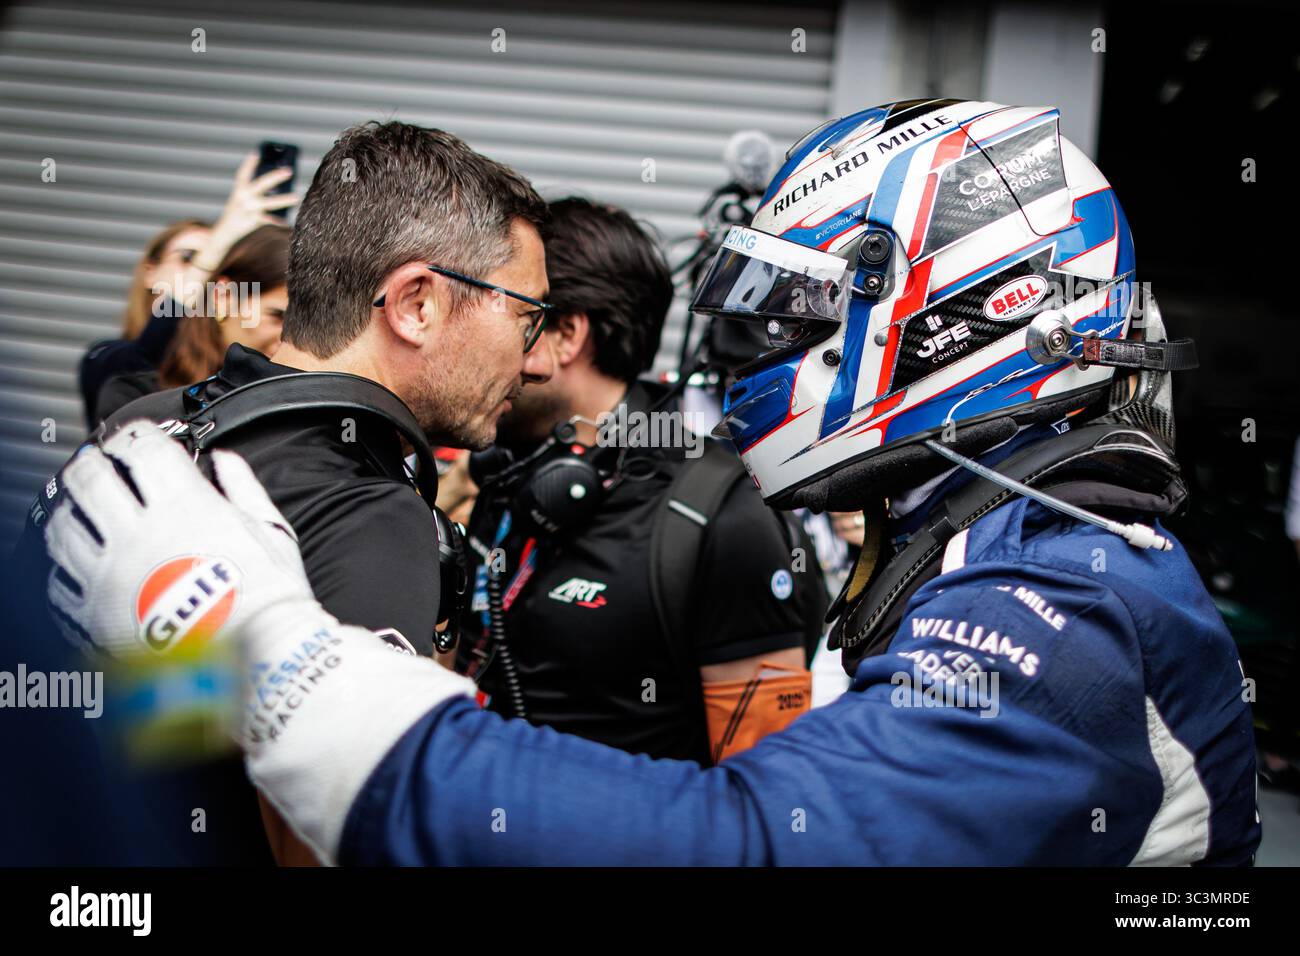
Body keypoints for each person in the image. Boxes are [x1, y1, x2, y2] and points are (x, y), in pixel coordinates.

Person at [45, 100, 1260, 866]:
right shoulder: (989, 536)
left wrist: (255, 653)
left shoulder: (1069, 598)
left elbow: (747, 837)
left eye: (796, 315)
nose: (757, 357)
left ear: (955, 317)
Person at [18, 119, 553, 863]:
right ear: (417, 304)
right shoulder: (371, 515)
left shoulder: (145, 424)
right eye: (528, 317)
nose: (535, 364)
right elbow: (347, 845)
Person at [456, 198, 827, 764]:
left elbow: (764, 790)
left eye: (512, 316)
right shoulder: (508, 471)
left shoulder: (720, 514)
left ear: (566, 335)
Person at [79, 153, 298, 426]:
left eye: (214, 266)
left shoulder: (230, 372)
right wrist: (218, 244)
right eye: (190, 258)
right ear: (150, 270)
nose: (202, 277)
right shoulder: (113, 360)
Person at [95, 223, 292, 421]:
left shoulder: (296, 396)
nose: (291, 338)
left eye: (304, 322)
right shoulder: (138, 392)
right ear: (224, 296)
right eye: (277, 316)